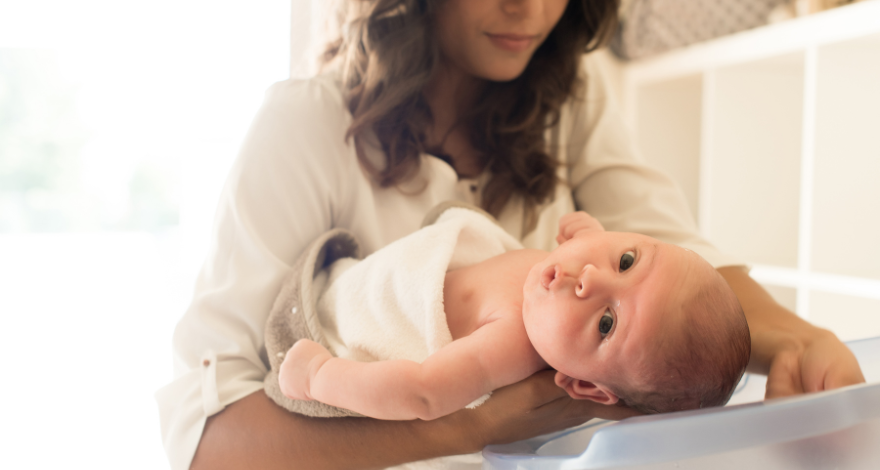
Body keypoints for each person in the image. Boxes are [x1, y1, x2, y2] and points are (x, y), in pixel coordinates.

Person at [156, 1, 866, 469]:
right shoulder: (306, 128)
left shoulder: (570, 101)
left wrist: (802, 341)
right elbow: (209, 444)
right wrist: (474, 426)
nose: (528, 7)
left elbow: (678, 262)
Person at [279, 210, 750, 419]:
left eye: (607, 322)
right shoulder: (565, 282)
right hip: (359, 269)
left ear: (583, 385)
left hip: (333, 322)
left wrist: (319, 376)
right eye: (626, 260)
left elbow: (421, 395)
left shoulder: (510, 344)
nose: (590, 277)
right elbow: (597, 264)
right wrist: (591, 234)